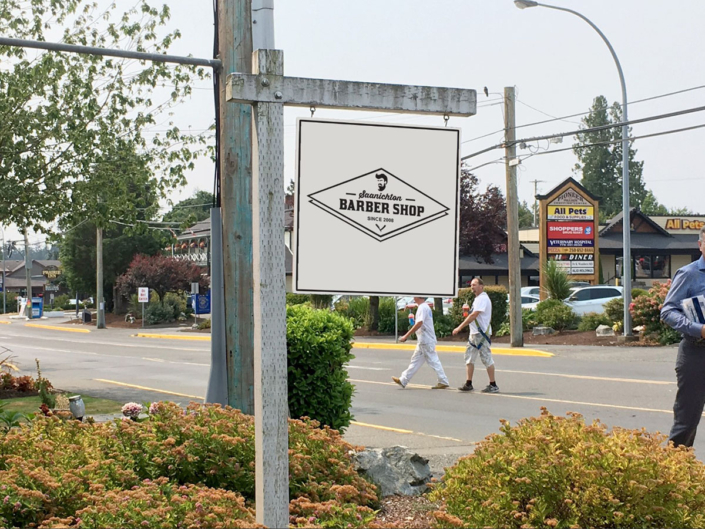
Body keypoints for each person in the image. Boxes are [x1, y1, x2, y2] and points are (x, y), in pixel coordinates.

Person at [661, 225, 705, 447]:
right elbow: (667, 311)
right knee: (686, 422)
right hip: (697, 352)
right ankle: (674, 476)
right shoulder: (688, 274)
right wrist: (699, 329)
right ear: (700, 245)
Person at [452, 278, 499, 393]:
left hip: (481, 334)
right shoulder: (477, 299)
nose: (472, 287)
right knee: (469, 358)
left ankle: (493, 384)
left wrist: (459, 327)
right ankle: (468, 383)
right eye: (471, 285)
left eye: (475, 285)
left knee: (486, 358)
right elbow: (473, 315)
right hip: (474, 334)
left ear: (481, 286)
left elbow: (474, 315)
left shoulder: (482, 298)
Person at [392, 296, 450, 390]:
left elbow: (419, 323)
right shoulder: (424, 307)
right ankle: (403, 380)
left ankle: (443, 381)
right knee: (415, 360)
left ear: (419, 297)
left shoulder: (423, 307)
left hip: (426, 340)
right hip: (423, 340)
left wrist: (406, 335)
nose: (413, 297)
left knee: (433, 360)